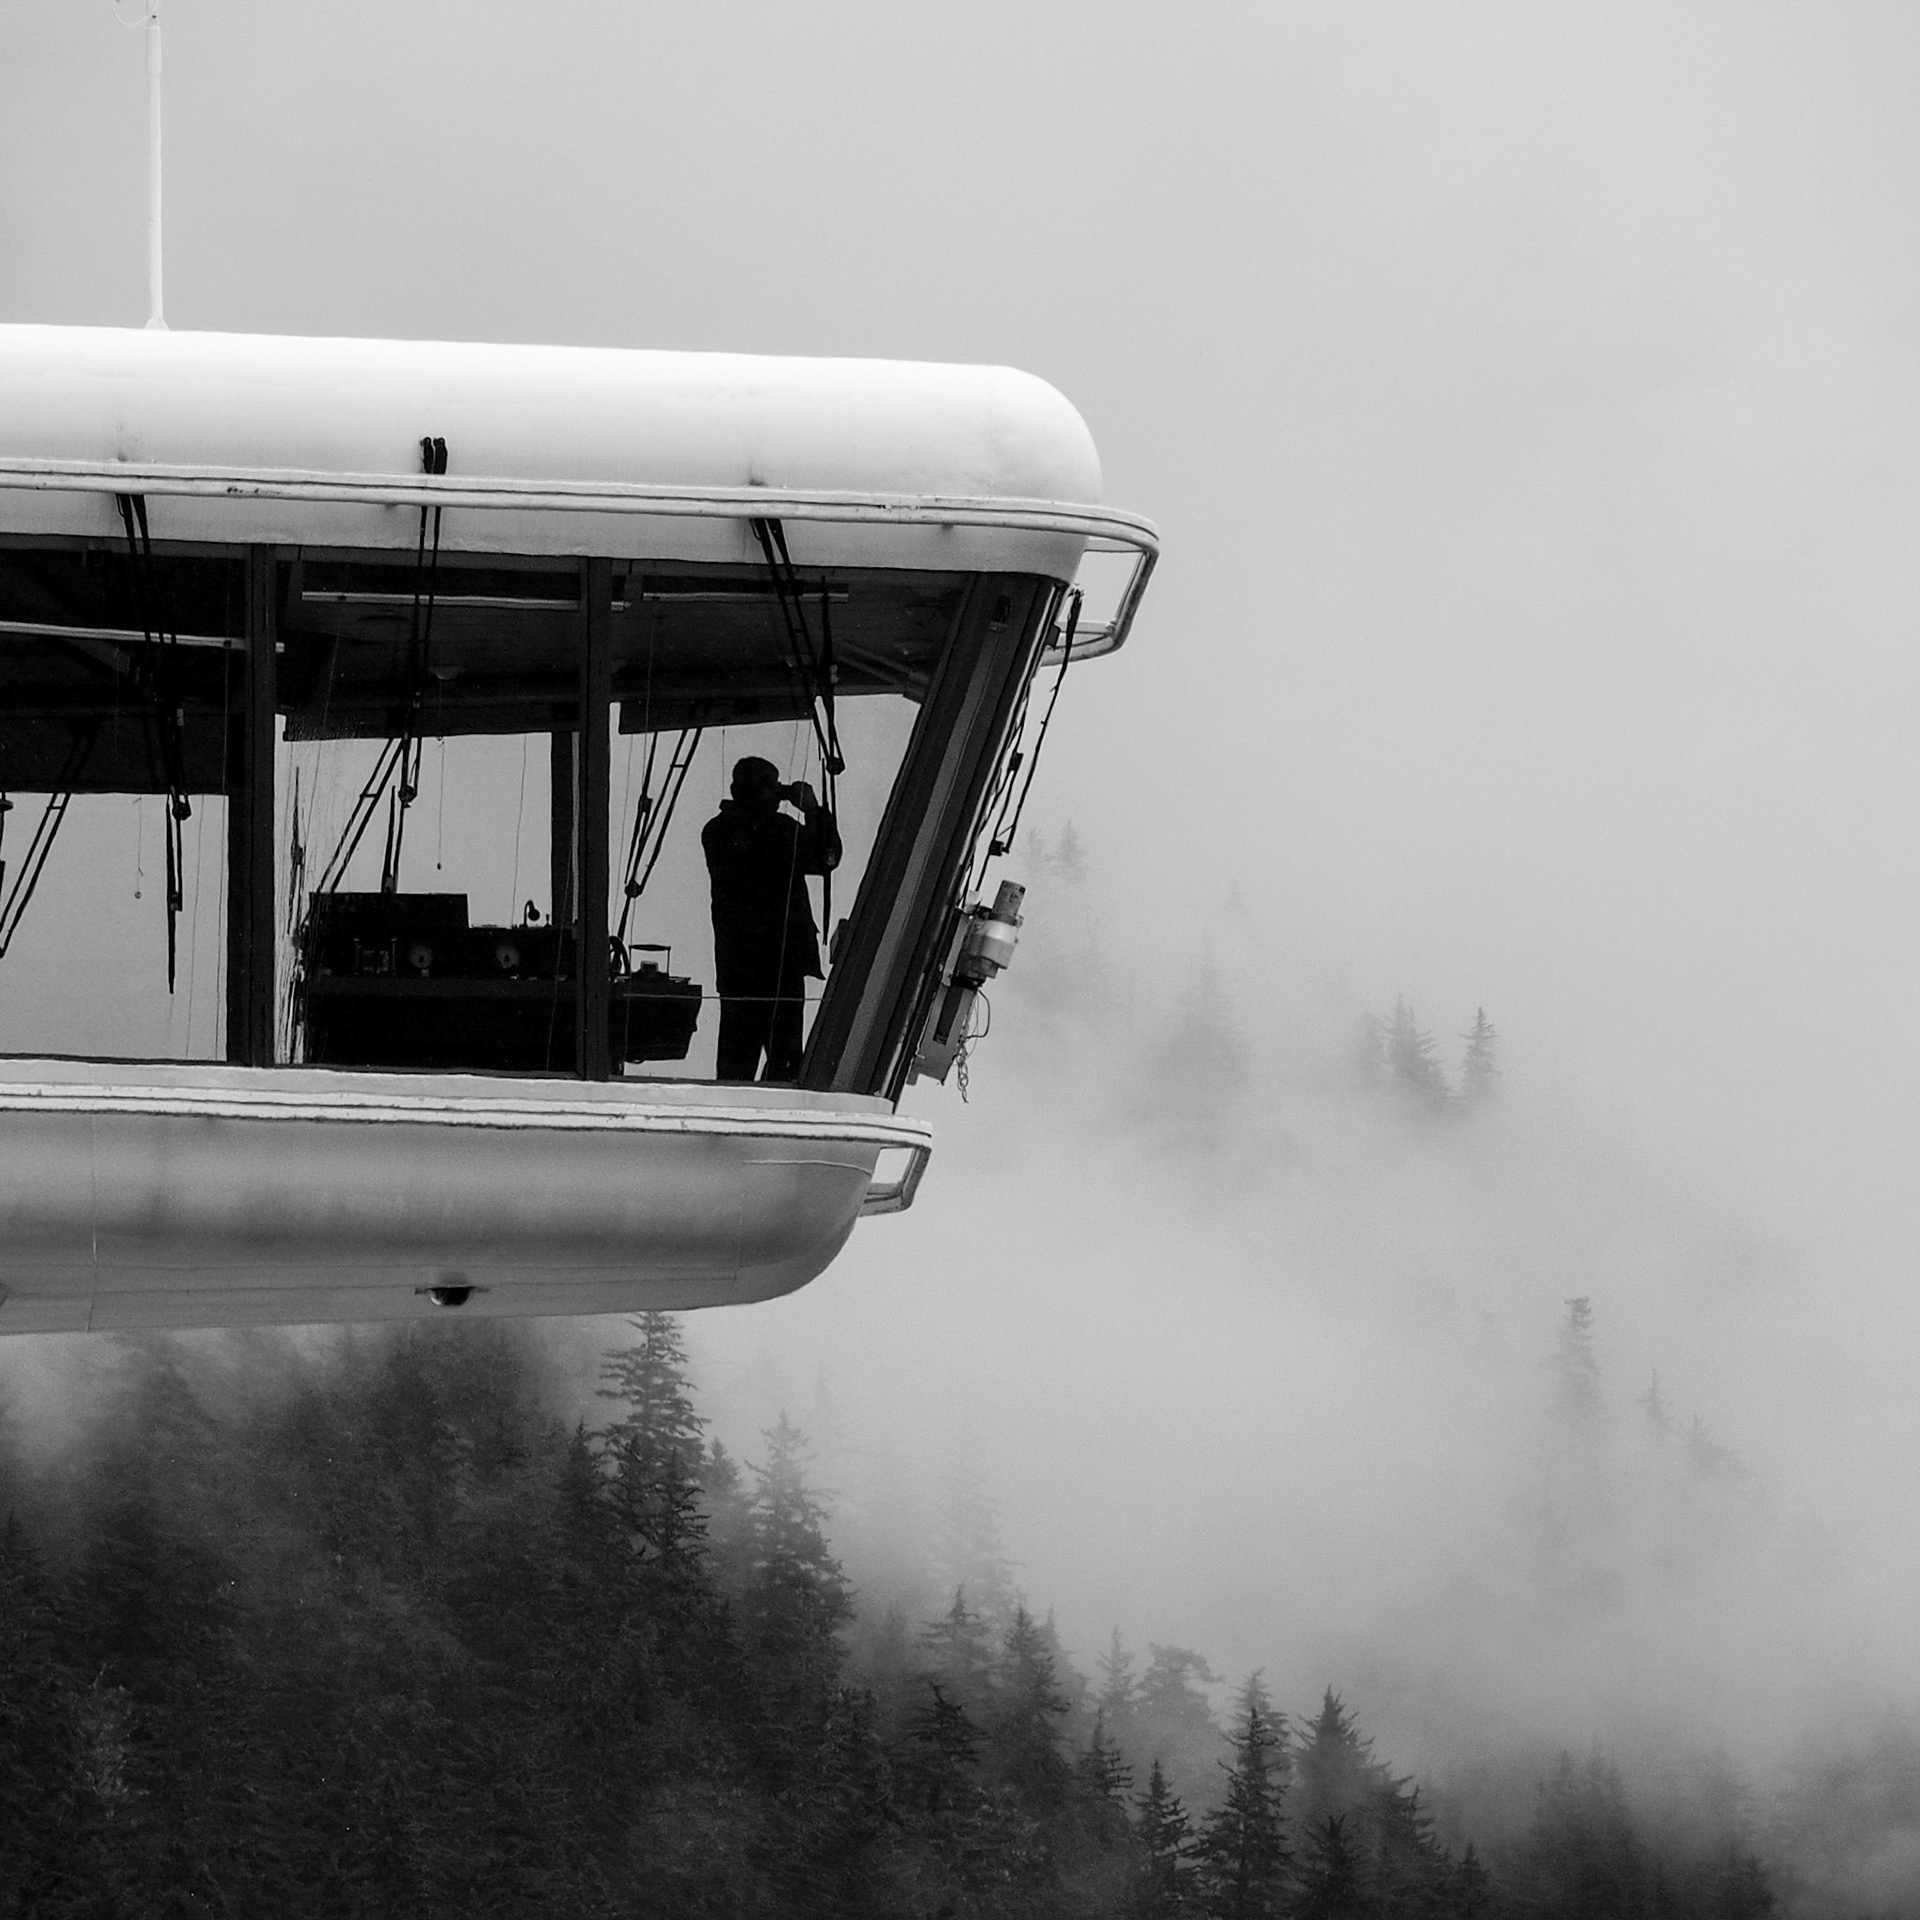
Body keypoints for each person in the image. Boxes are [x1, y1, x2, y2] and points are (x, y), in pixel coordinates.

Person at [701, 755, 841, 1082]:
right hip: (780, 961)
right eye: (772, 786)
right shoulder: (778, 831)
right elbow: (827, 858)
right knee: (785, 1062)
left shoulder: (716, 830)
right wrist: (812, 810)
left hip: (738, 966)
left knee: (736, 1065)